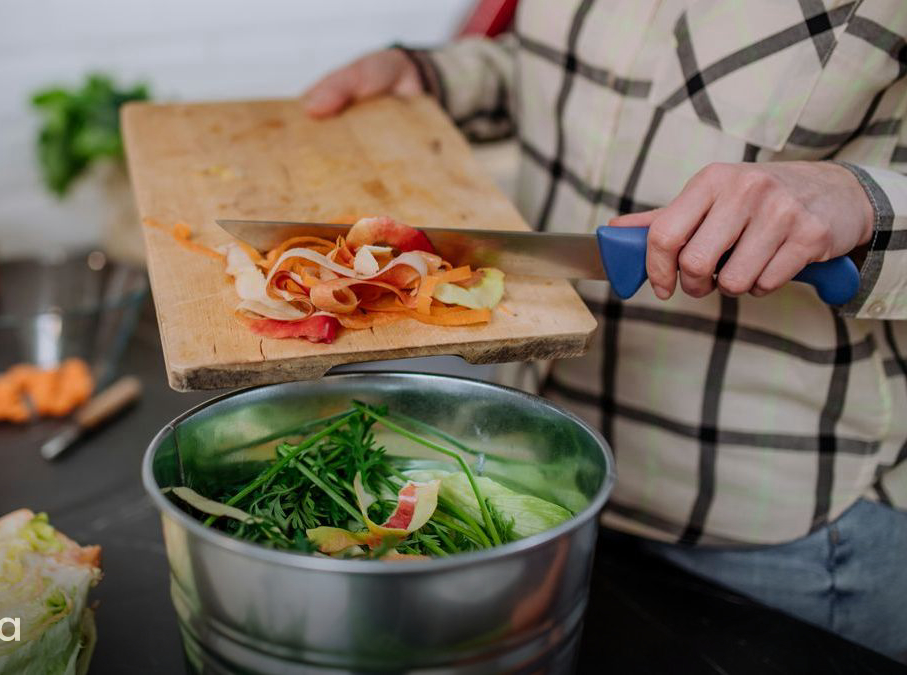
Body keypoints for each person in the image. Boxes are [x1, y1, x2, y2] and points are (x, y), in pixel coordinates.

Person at [303, 0, 907, 661]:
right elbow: (551, 70)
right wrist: (432, 77)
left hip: (780, 539)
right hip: (527, 473)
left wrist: (859, 202)